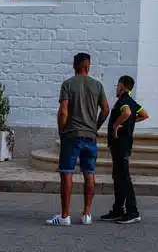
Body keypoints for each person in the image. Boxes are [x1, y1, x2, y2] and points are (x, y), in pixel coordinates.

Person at [46, 52, 108, 226]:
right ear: (88, 67)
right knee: (89, 173)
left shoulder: (67, 84)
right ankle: (86, 214)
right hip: (90, 136)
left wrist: (62, 130)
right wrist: (95, 126)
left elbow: (63, 111)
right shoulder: (97, 85)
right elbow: (105, 109)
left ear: (74, 66)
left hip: (72, 135)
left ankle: (65, 215)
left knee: (67, 173)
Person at [103, 75, 149, 225]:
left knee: (123, 178)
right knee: (118, 177)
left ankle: (132, 211)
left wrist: (116, 125)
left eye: (117, 85)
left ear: (121, 86)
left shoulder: (124, 102)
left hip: (121, 146)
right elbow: (144, 114)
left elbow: (127, 113)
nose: (116, 88)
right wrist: (130, 122)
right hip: (121, 146)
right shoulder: (132, 102)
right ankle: (118, 210)